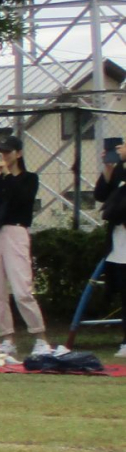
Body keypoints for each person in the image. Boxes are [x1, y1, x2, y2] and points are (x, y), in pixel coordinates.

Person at [0, 136, 51, 356]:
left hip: (16, 231)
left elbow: (22, 198)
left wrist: (6, 173)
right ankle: (7, 338)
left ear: (18, 154)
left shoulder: (29, 178)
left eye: (7, 152)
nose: (3, 156)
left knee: (22, 289)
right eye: (0, 152)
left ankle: (40, 337)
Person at [97, 145, 126, 357]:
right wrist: (108, 170)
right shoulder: (119, 169)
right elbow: (102, 195)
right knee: (123, 290)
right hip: (118, 239)